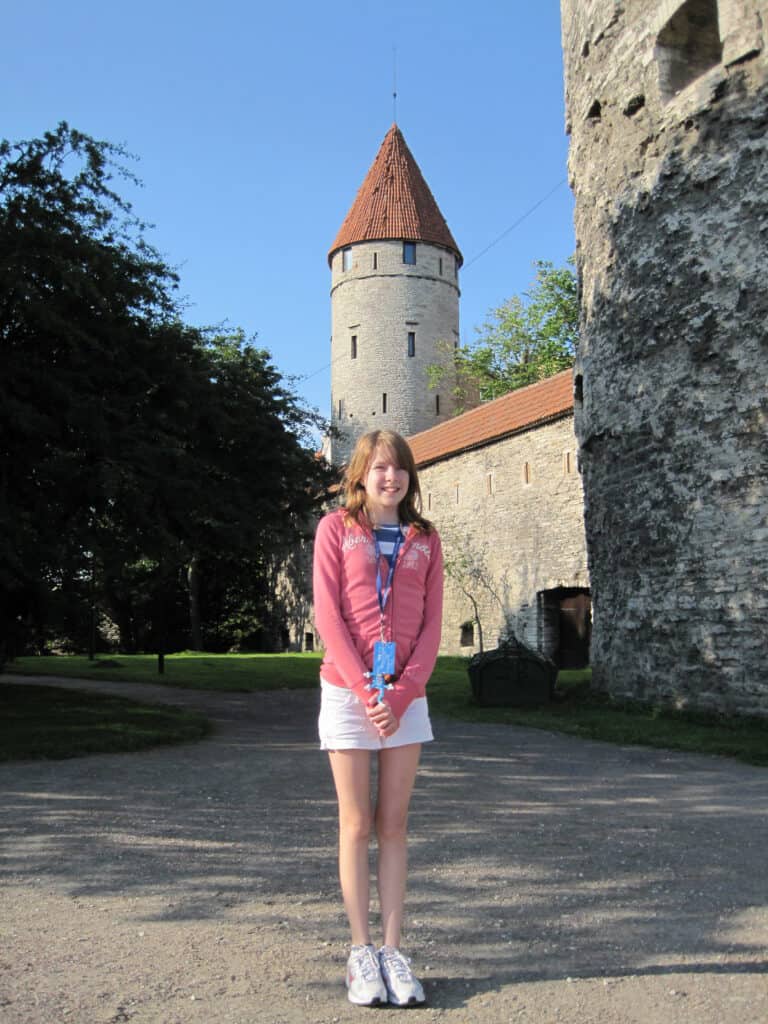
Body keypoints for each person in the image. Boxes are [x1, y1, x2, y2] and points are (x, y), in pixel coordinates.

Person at [312, 429, 444, 1007]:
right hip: (348, 693)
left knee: (394, 825)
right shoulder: (335, 530)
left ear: (410, 477)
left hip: (405, 699)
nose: (390, 478)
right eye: (379, 469)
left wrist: (401, 692)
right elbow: (328, 614)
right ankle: (360, 952)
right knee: (356, 824)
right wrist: (368, 689)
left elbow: (435, 626)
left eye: (400, 469)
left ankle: (394, 950)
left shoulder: (426, 538)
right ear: (360, 476)